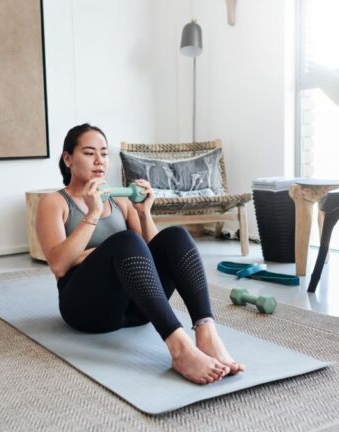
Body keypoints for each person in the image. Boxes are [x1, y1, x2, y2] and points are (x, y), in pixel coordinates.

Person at [36, 123, 245, 385]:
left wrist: (144, 213)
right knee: (125, 241)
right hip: (87, 312)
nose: (99, 160)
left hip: (137, 311)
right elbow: (58, 265)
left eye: (104, 153)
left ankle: (207, 334)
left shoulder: (121, 201)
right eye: (89, 153)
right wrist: (92, 214)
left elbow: (157, 254)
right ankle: (180, 349)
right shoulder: (54, 203)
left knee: (176, 236)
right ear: (68, 158)